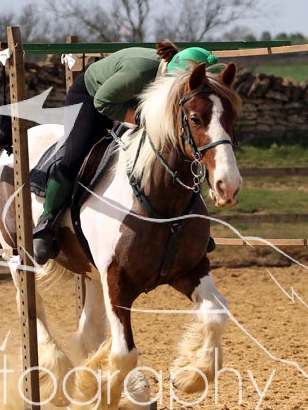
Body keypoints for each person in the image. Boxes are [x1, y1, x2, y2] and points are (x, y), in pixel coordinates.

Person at [32, 43, 219, 264]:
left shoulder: (173, 79)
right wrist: (142, 119)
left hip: (131, 99)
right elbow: (103, 102)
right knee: (76, 154)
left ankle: (191, 222)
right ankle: (47, 221)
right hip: (91, 98)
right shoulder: (139, 71)